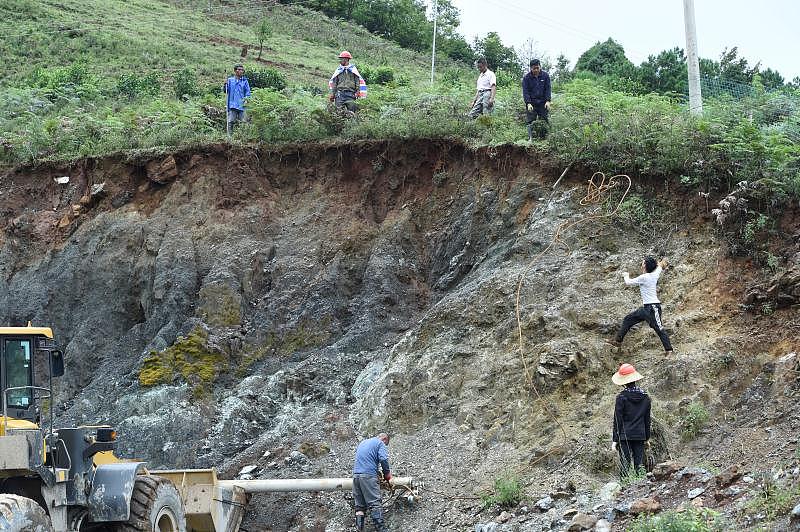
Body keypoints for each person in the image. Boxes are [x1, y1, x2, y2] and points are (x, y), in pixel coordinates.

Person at [607, 256, 673, 355]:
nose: (641, 265)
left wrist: (626, 275)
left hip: (653, 308)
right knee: (628, 319)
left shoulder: (644, 277)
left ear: (646, 266)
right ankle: (617, 341)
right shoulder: (655, 274)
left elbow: (628, 282)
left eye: (643, 263)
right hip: (646, 308)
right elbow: (660, 266)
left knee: (659, 329)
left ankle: (669, 350)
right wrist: (663, 261)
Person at [611, 363, 651, 478]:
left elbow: (617, 420)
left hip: (625, 436)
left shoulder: (621, 398)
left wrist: (615, 440)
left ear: (623, 381)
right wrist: (647, 437)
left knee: (625, 464)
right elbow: (647, 420)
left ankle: (623, 488)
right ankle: (641, 488)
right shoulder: (646, 398)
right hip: (640, 435)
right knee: (639, 464)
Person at [352, 433, 391, 532]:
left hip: (356, 476)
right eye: (386, 444)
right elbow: (383, 459)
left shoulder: (363, 442)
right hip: (368, 476)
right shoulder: (380, 443)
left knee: (359, 507)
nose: (385, 446)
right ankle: (381, 529)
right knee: (375, 503)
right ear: (385, 439)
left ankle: (359, 529)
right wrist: (387, 473)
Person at [522, 59, 551, 139]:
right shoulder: (526, 78)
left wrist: (548, 101)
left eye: (537, 68)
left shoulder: (545, 76)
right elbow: (526, 92)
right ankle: (531, 138)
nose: (536, 70)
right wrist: (528, 103)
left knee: (544, 120)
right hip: (532, 103)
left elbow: (548, 89)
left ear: (540, 67)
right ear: (531, 68)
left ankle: (545, 138)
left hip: (543, 102)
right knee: (530, 121)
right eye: (534, 68)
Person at [223, 64, 251, 136]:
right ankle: (229, 136)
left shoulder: (245, 81)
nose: (242, 71)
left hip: (242, 104)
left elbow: (248, 92)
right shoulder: (230, 80)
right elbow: (225, 91)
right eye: (240, 70)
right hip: (232, 104)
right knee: (231, 121)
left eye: (242, 70)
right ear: (235, 71)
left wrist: (247, 99)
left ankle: (243, 136)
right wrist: (225, 84)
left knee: (244, 122)